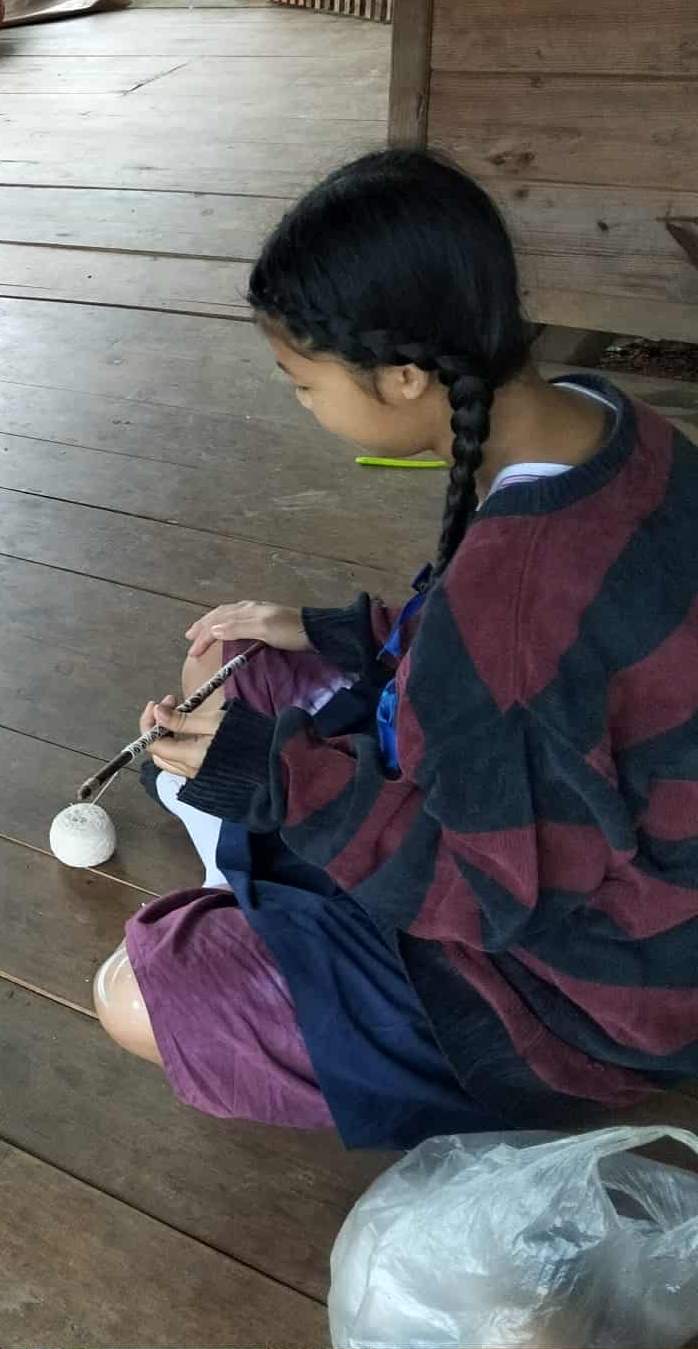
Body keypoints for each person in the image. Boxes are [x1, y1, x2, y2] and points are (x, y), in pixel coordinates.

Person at [92, 149, 698, 1149]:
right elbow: (549, 660)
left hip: (587, 999)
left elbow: (488, 893)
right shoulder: (611, 421)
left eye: (302, 384)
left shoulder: (505, 610)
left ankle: (258, 880)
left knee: (141, 992)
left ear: (405, 375)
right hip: (613, 850)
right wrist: (339, 632)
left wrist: (271, 777)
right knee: (238, 659)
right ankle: (255, 860)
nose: (301, 404)